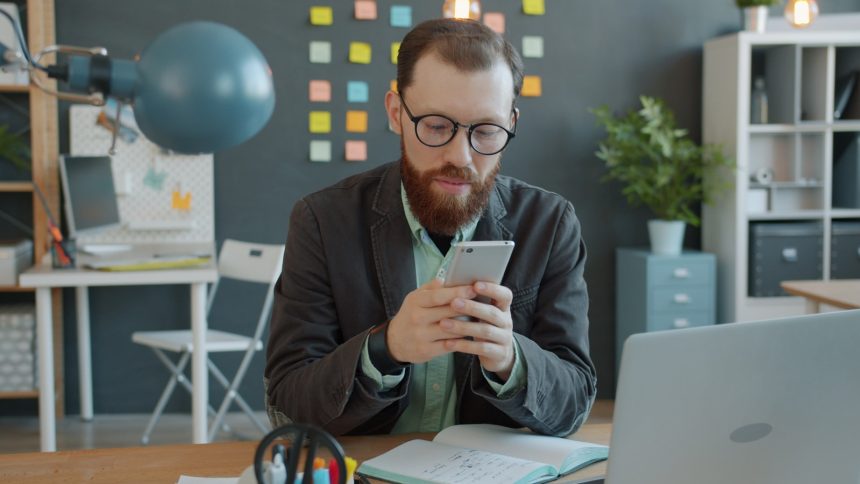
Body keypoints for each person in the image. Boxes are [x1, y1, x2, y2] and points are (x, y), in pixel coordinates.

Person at [265, 18, 596, 437]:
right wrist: (386, 349)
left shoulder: (549, 224)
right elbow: (289, 403)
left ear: (511, 123)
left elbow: (576, 401)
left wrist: (512, 361)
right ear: (396, 113)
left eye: (487, 131)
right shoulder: (322, 222)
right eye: (437, 126)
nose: (460, 156)